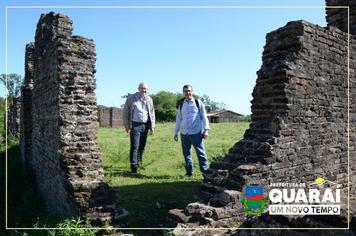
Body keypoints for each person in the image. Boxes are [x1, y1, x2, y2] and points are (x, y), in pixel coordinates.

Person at [174, 84, 209, 177]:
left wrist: (206, 130)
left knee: (201, 154)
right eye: (185, 91)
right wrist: (176, 132)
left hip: (196, 133)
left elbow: (204, 117)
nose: (187, 93)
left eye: (189, 91)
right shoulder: (181, 105)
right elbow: (178, 119)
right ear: (183, 93)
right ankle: (189, 173)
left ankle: (206, 173)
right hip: (184, 133)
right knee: (186, 154)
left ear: (192, 92)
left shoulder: (198, 103)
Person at [123, 82, 155, 175]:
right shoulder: (131, 98)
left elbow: (152, 113)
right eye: (142, 88)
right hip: (135, 125)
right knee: (135, 146)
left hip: (145, 125)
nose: (143, 90)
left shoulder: (149, 99)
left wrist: (152, 126)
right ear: (138, 88)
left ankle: (140, 162)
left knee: (142, 146)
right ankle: (134, 167)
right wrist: (127, 125)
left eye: (145, 89)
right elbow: (125, 112)